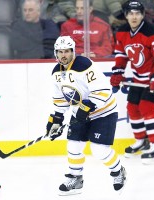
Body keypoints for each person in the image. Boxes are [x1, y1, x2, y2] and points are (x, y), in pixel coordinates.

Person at [46, 35, 126, 195]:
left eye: (67, 51)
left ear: (73, 51)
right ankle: (76, 179)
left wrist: (85, 108)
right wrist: (56, 120)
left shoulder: (83, 65)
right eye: (60, 52)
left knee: (99, 151)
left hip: (104, 112)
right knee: (73, 146)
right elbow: (60, 99)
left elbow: (103, 90)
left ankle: (118, 172)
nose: (63, 55)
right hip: (81, 112)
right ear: (56, 53)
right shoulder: (56, 72)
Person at [110, 0, 154, 164]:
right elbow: (121, 55)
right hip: (139, 79)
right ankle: (141, 140)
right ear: (126, 15)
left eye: (137, 13)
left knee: (147, 107)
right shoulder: (122, 32)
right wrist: (118, 71)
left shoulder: (153, 32)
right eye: (131, 13)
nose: (134, 16)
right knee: (132, 107)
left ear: (143, 15)